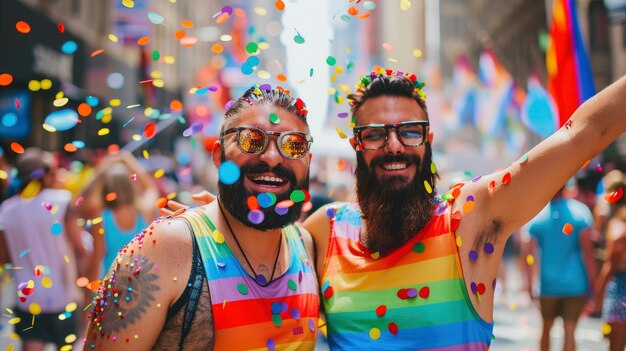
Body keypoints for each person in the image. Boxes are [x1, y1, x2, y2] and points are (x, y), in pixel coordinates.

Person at [167, 69, 626, 350]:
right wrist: (216, 220)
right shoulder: (326, 232)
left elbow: (579, 134)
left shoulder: (470, 217)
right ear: (357, 145)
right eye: (375, 134)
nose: (392, 146)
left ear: (427, 141)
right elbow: (264, 249)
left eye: (409, 132)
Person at [84, 85, 319, 350]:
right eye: (251, 139)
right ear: (218, 155)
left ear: (308, 161)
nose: (273, 157)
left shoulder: (307, 247)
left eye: (294, 145)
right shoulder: (162, 249)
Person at [0, 147, 88, 350]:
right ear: (47, 173)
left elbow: (3, 258)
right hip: (64, 296)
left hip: (28, 297)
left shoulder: (6, 210)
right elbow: (81, 248)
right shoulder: (63, 201)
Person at [521, 186, 596, 351]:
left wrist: (528, 284)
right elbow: (587, 252)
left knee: (546, 328)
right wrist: (593, 284)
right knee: (570, 331)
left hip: (547, 284)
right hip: (576, 283)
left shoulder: (537, 216)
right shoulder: (580, 212)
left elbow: (528, 255)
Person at [77, 152, 158, 280]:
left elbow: (97, 259)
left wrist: (103, 168)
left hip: (111, 286)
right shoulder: (145, 212)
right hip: (140, 284)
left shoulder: (101, 217)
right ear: (131, 186)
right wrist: (128, 160)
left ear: (107, 188)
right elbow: (151, 188)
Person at [590, 171, 626, 351]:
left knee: (615, 345)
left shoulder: (618, 226)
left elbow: (611, 265)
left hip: (620, 288)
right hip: (618, 285)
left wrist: (596, 297)